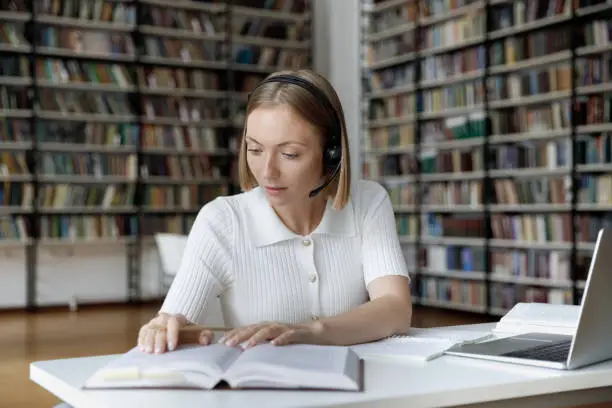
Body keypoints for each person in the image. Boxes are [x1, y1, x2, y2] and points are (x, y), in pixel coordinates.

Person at [137, 69, 413, 354]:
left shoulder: (368, 202)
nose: (267, 172)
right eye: (255, 150)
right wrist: (162, 327)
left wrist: (309, 331)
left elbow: (396, 308)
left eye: (289, 154)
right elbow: (175, 318)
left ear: (332, 153)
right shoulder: (222, 220)